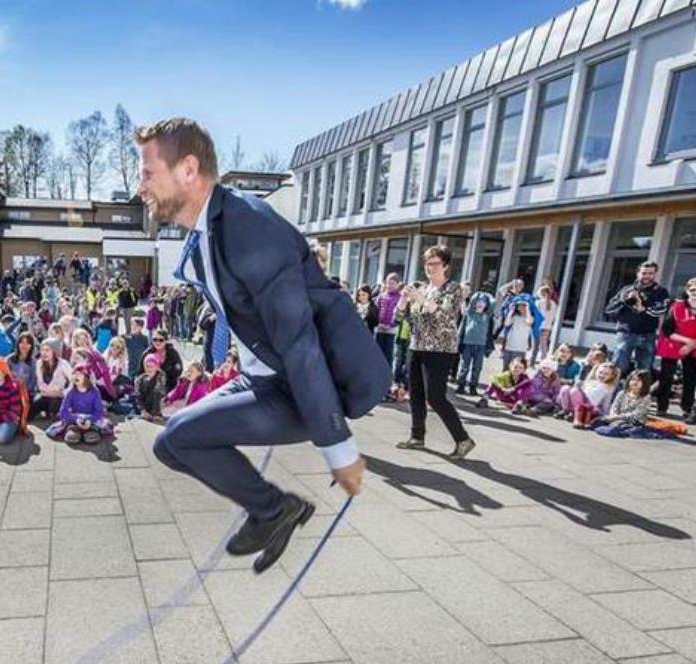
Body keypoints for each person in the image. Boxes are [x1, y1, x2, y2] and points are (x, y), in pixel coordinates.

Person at [137, 118, 387, 574]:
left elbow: (300, 344)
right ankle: (275, 510)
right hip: (264, 376)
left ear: (188, 169)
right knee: (170, 445)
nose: (140, 187)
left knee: (180, 437)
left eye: (148, 173)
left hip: (301, 383)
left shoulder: (249, 226)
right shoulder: (208, 235)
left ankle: (274, 510)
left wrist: (340, 451)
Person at [397, 246, 475, 458]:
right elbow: (400, 317)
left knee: (436, 397)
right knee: (416, 394)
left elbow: (446, 316)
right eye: (427, 263)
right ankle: (417, 436)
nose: (430, 267)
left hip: (440, 349)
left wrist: (420, 299)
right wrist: (404, 301)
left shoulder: (454, 288)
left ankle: (463, 439)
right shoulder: (421, 288)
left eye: (435, 263)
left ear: (446, 266)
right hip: (416, 345)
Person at [604, 260, 671, 376]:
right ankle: (615, 392)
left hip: (648, 335)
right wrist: (623, 300)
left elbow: (662, 310)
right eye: (644, 273)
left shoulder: (661, 291)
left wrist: (644, 308)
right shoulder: (626, 289)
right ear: (638, 273)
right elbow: (609, 309)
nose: (647, 276)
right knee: (618, 367)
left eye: (650, 273)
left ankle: (640, 394)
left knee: (644, 370)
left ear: (655, 274)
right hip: (625, 333)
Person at [654, 277, 696, 423]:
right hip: (673, 342)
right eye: (693, 290)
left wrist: (691, 345)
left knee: (690, 379)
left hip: (693, 347)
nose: (695, 293)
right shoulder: (677, 306)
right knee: (667, 376)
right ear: (687, 291)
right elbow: (667, 329)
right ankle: (662, 407)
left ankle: (687, 409)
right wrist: (687, 341)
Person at [46, 364, 113, 444]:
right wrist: (76, 419)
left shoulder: (94, 392)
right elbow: (63, 411)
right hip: (75, 419)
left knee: (98, 429)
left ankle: (91, 429)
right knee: (70, 434)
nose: (76, 376)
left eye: (80, 374)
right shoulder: (71, 392)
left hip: (91, 419)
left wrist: (89, 420)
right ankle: (73, 429)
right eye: (74, 374)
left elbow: (99, 411)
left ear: (87, 377)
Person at [594, 369, 653, 437]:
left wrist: (618, 417)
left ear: (645, 383)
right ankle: (614, 426)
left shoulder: (646, 397)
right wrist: (613, 415)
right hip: (616, 419)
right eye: (633, 379)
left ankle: (616, 428)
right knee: (597, 421)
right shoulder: (622, 393)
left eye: (639, 380)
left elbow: (636, 414)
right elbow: (614, 407)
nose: (635, 382)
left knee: (630, 429)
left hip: (633, 422)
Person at [455, 292, 493, 396]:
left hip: (481, 345)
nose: (480, 304)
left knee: (477, 367)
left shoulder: (487, 315)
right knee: (464, 366)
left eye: (483, 302)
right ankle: (461, 385)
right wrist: (458, 340)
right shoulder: (470, 313)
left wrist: (488, 296)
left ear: (486, 304)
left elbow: (493, 302)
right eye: (478, 302)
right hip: (468, 343)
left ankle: (473, 386)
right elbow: (461, 328)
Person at [31, 341, 71, 419]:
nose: (44, 353)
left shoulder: (63, 364)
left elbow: (73, 380)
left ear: (54, 351)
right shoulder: (39, 363)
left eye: (47, 350)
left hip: (58, 397)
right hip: (44, 395)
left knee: (53, 409)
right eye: (42, 350)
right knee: (31, 411)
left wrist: (65, 392)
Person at [374, 274, 402, 366]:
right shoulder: (381, 296)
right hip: (380, 328)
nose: (389, 285)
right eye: (388, 283)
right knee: (377, 354)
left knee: (389, 355)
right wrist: (378, 323)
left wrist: (391, 325)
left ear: (398, 284)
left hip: (392, 330)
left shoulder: (400, 297)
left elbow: (400, 314)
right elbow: (375, 310)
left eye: (392, 283)